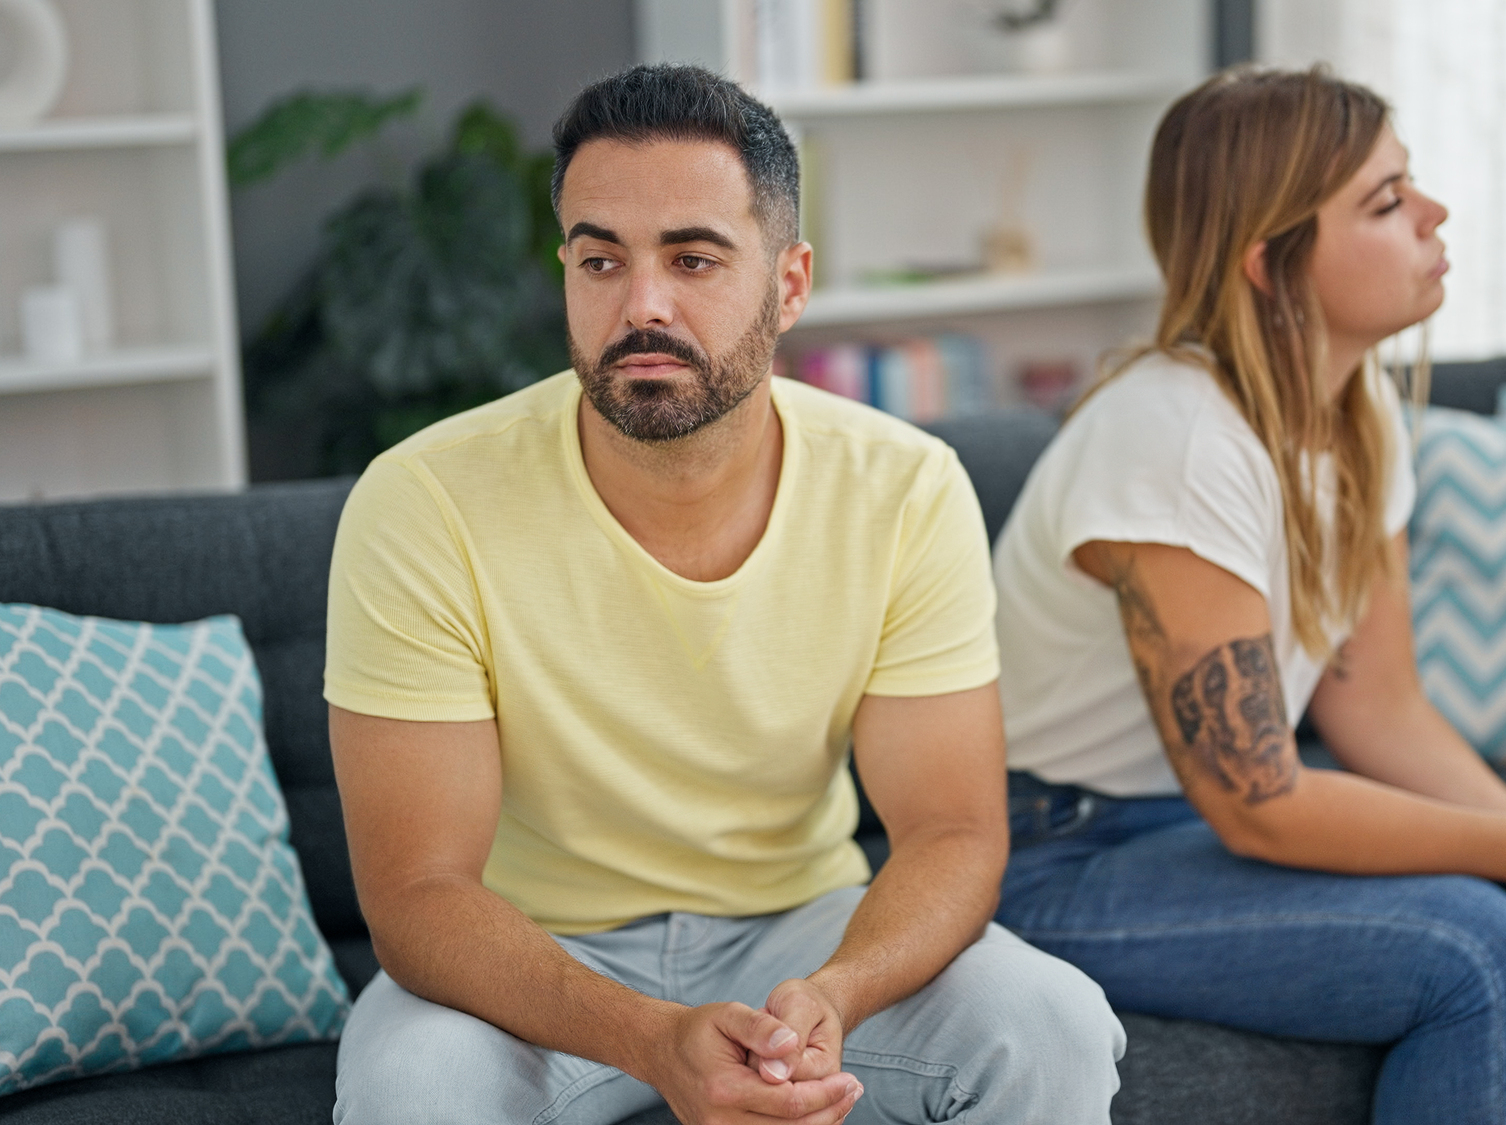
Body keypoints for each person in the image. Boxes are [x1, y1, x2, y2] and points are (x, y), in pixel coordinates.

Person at [323, 64, 1123, 1125]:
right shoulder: (422, 500)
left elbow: (950, 830)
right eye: (599, 259)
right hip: (532, 952)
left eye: (692, 258)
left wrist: (838, 992)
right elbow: (419, 893)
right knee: (411, 1092)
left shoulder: (904, 485)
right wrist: (649, 1040)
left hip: (804, 932)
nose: (640, 304)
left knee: (1049, 1025)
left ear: (788, 285)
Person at [989, 66, 1506, 1125]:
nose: (1434, 215)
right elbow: (1258, 802)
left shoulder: (1360, 418)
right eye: (1386, 203)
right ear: (1271, 264)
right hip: (1048, 855)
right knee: (1468, 947)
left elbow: (1374, 707)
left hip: (1180, 832)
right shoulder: (1170, 440)